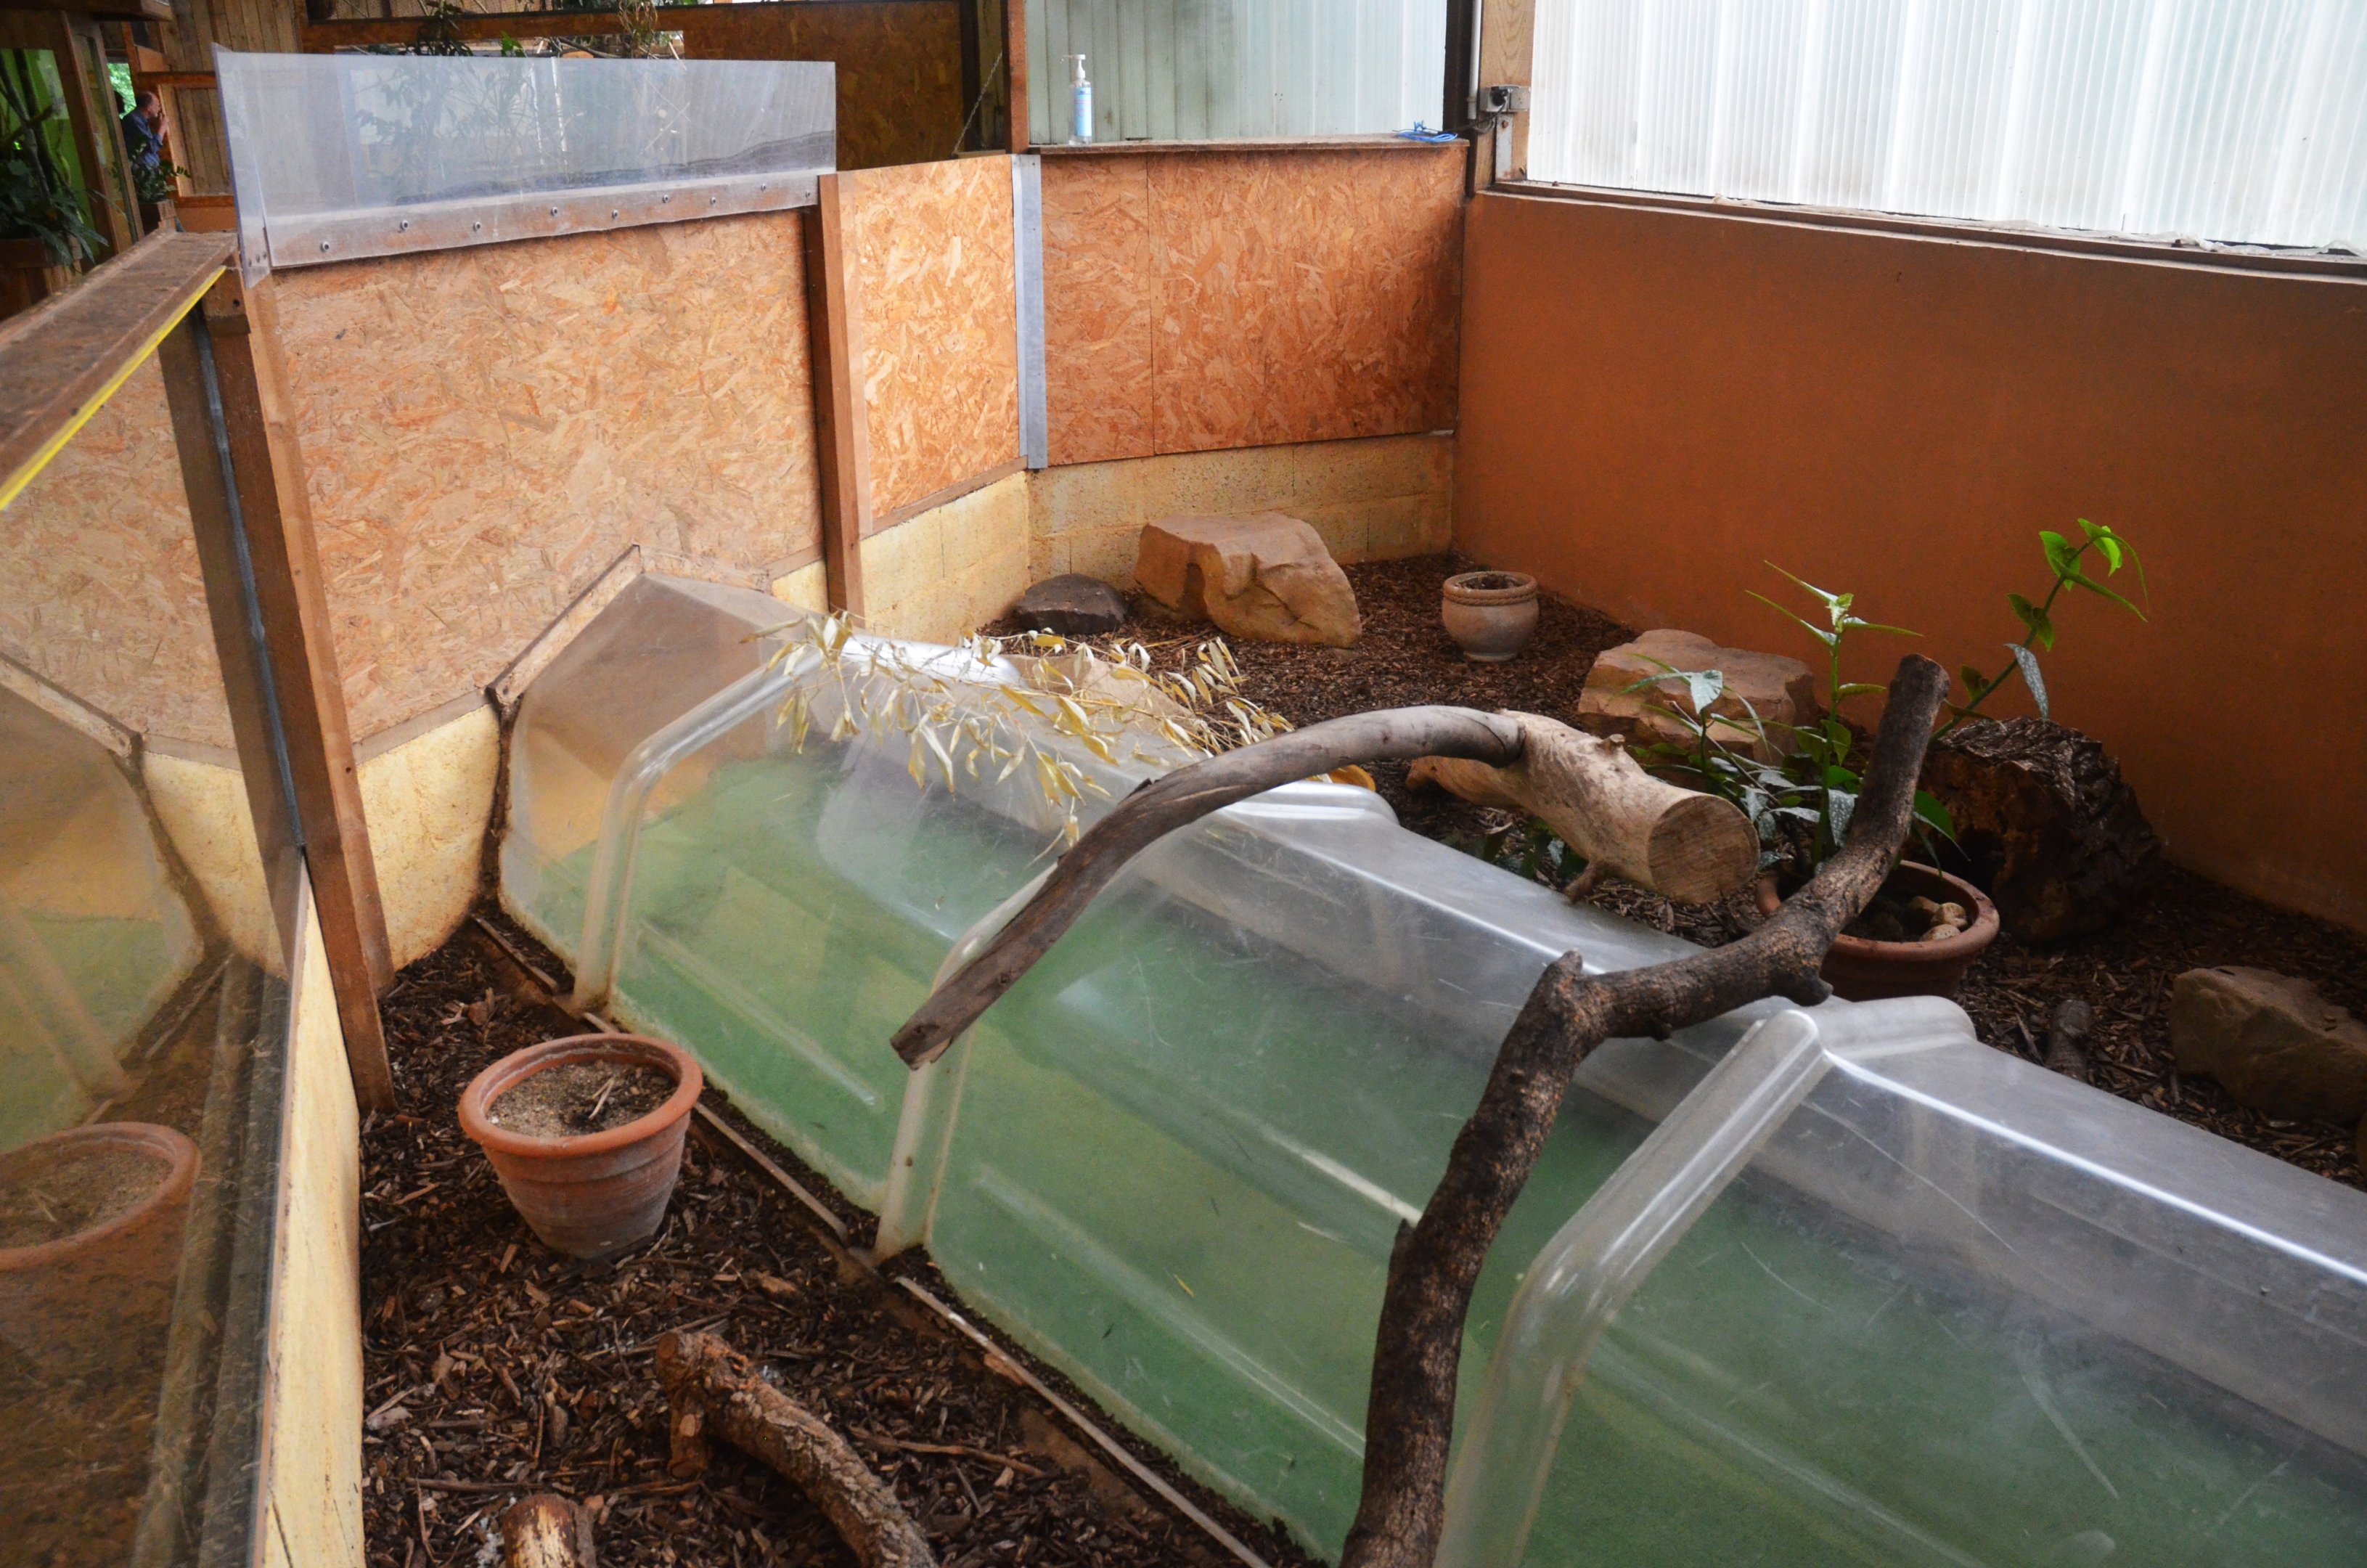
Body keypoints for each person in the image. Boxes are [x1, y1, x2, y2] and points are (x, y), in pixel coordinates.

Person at [120, 90, 164, 175]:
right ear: (149, 107)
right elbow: (152, 147)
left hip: (150, 168)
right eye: (157, 105)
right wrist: (162, 128)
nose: (159, 109)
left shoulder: (143, 121)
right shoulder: (134, 120)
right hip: (143, 170)